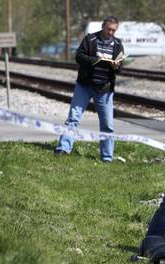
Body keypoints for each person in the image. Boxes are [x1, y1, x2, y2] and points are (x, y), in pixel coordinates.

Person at [55, 16, 124, 162]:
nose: (111, 32)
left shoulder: (118, 44)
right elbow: (79, 56)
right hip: (84, 86)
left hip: (104, 89)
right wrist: (96, 60)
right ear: (103, 27)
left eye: (114, 30)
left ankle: (107, 157)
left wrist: (116, 67)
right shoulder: (90, 39)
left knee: (107, 125)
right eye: (109, 29)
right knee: (73, 118)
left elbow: (120, 69)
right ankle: (63, 149)